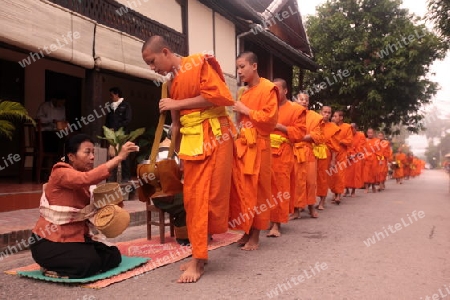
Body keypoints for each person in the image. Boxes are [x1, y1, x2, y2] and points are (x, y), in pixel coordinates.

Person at [142, 35, 235, 283]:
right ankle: (199, 256)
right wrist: (177, 154)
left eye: (152, 61)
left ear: (165, 51)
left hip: (215, 137)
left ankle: (198, 258)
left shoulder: (196, 63)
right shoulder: (171, 82)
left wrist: (177, 101)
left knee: (207, 197)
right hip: (192, 144)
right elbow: (176, 124)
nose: (153, 68)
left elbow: (218, 97)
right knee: (193, 200)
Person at [29, 134, 138, 279]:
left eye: (93, 152)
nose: (92, 157)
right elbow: (86, 179)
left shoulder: (86, 184)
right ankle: (53, 267)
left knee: (113, 255)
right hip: (48, 241)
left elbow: (95, 206)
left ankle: (72, 264)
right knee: (87, 264)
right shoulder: (60, 172)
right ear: (71, 156)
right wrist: (119, 158)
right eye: (87, 152)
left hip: (76, 237)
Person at [229, 51, 278, 250]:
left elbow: (270, 120)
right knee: (243, 191)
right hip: (243, 147)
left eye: (242, 67)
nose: (239, 71)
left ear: (254, 66)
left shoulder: (268, 89)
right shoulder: (244, 93)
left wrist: (246, 110)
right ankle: (246, 230)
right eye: (238, 68)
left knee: (258, 191)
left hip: (260, 146)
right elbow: (241, 122)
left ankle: (256, 235)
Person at [267, 78, 306, 237]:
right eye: (273, 90)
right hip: (265, 151)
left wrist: (280, 127)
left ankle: (276, 224)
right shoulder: (268, 108)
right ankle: (268, 219)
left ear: (285, 91)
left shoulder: (295, 110)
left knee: (280, 188)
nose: (275, 93)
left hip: (283, 153)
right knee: (266, 188)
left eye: (278, 90)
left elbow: (300, 134)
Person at [291, 92, 324, 218]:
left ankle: (311, 207)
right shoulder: (292, 115)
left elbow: (318, 135)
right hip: (295, 152)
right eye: (301, 99)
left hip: (308, 151)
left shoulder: (315, 117)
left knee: (310, 181)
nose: (304, 101)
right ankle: (296, 210)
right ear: (296, 101)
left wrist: (300, 136)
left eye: (306, 99)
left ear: (308, 102)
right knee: (296, 182)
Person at [105, 87, 132, 182]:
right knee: (112, 155)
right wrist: (107, 130)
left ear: (117, 94)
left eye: (112, 95)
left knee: (124, 155)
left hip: (122, 135)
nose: (111, 97)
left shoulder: (126, 105)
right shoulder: (111, 106)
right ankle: (112, 178)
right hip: (112, 136)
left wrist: (117, 128)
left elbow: (128, 120)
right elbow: (107, 120)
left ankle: (126, 177)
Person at [316, 106, 340, 210]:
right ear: (320, 112)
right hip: (313, 152)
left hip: (325, 154)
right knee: (312, 178)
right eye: (324, 112)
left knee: (323, 178)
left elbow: (334, 146)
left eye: (329, 113)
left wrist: (333, 160)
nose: (326, 114)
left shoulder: (333, 127)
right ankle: (308, 202)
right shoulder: (315, 124)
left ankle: (322, 201)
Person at [328, 111, 353, 204]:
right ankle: (334, 193)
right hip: (331, 154)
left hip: (342, 154)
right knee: (332, 175)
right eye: (333, 116)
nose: (334, 118)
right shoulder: (331, 127)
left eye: (335, 116)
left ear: (341, 117)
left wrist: (340, 141)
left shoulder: (347, 127)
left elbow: (350, 141)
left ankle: (338, 195)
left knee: (340, 175)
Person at [344, 123, 366, 197]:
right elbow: (346, 145)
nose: (351, 130)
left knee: (355, 174)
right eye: (350, 128)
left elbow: (362, 146)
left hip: (356, 158)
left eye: (352, 128)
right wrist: (348, 154)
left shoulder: (361, 135)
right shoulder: (347, 135)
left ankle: (353, 191)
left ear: (356, 128)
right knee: (346, 174)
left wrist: (355, 154)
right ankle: (346, 190)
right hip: (348, 157)